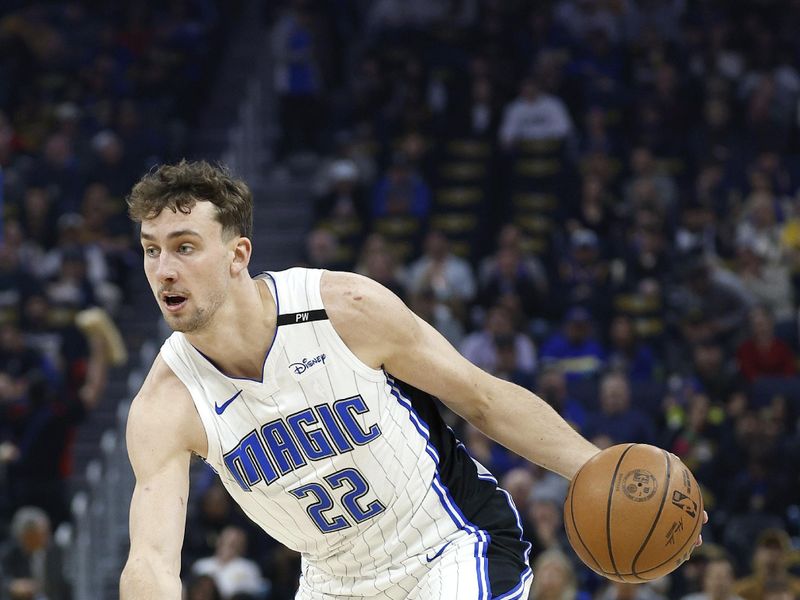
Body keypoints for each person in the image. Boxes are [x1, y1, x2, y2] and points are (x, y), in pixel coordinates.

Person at [119, 161, 700, 599]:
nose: (163, 269)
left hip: (449, 544)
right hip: (332, 581)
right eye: (151, 251)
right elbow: (150, 560)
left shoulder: (343, 307)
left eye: (184, 247)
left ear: (237, 254)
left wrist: (601, 474)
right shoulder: (166, 403)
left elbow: (482, 397)